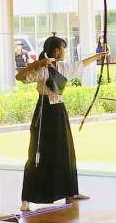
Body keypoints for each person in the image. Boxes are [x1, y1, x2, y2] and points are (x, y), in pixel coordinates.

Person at [16, 35, 107, 211]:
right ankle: (26, 198)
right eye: (63, 48)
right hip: (44, 112)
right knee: (37, 153)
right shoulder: (42, 68)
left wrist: (98, 55)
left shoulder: (64, 66)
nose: (65, 51)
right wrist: (38, 64)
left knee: (65, 151)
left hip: (58, 111)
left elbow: (81, 64)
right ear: (57, 51)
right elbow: (20, 76)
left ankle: (70, 191)